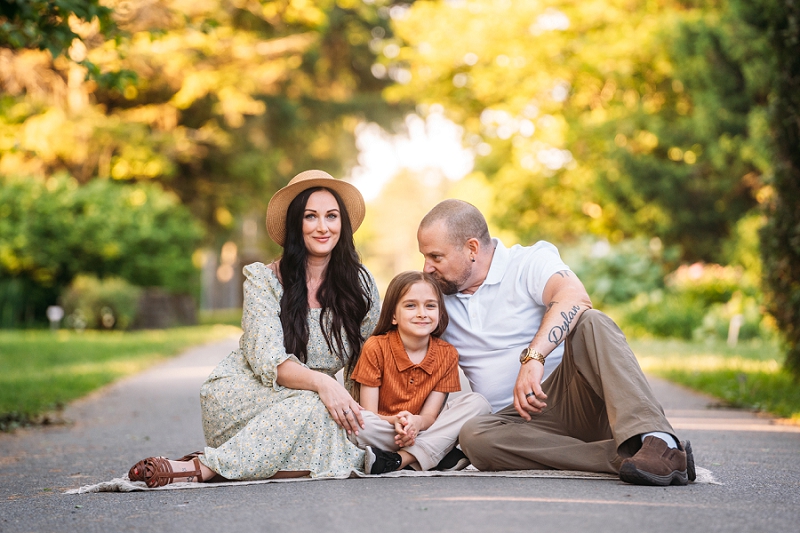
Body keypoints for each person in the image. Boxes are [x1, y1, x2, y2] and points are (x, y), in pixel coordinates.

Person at [416, 199, 696, 486]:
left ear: (472, 248)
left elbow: (574, 296)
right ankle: (635, 456)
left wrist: (533, 358)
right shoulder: (437, 298)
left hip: (575, 396)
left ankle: (659, 440)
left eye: (436, 257)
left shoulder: (528, 262)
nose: (427, 267)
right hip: (518, 426)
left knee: (591, 322)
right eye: (424, 257)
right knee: (474, 436)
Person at [128, 170, 381, 487]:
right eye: (310, 216)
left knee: (344, 440)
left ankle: (225, 464)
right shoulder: (264, 280)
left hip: (314, 406)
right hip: (248, 396)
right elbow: (268, 361)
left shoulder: (361, 285)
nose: (322, 227)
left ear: (342, 223)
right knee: (319, 411)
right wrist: (324, 384)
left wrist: (367, 418)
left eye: (331, 216)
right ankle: (198, 469)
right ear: (294, 224)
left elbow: (371, 359)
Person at [347, 271, 492, 474]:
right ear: (393, 316)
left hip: (422, 429)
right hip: (385, 430)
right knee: (359, 424)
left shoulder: (447, 354)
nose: (422, 313)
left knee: (478, 403)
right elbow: (369, 413)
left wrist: (416, 423)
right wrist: (399, 422)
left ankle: (398, 459)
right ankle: (434, 454)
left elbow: (429, 417)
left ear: (440, 313)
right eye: (410, 305)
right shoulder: (376, 346)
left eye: (430, 305)